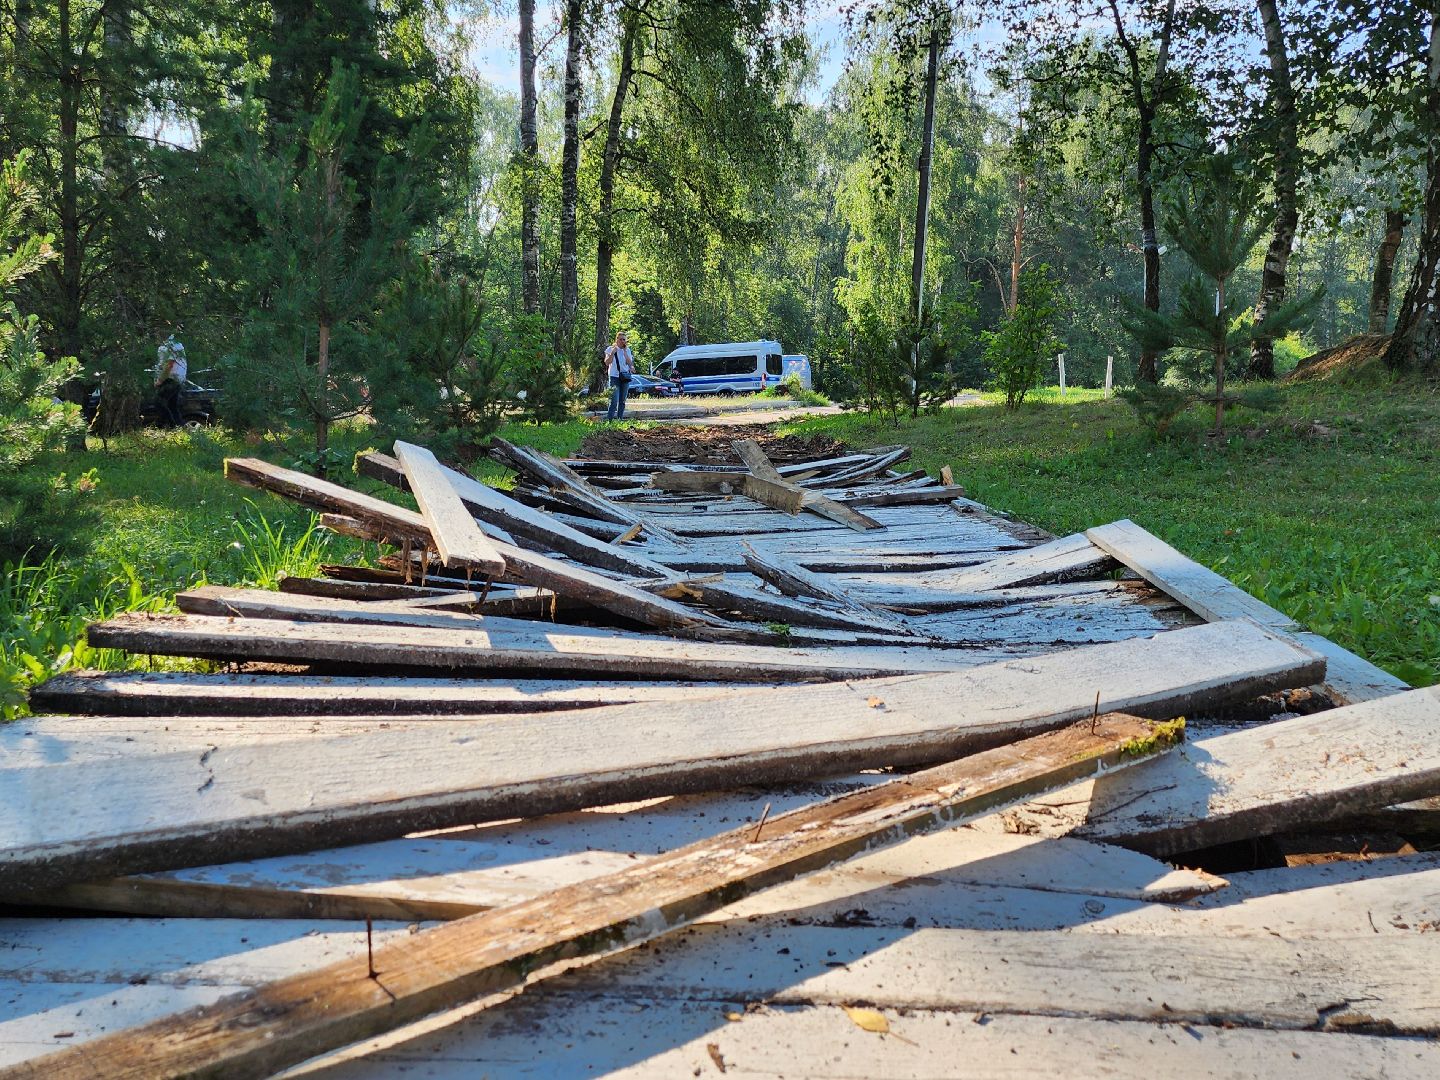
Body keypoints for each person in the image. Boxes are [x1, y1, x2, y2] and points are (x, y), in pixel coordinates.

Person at [154, 327, 188, 427]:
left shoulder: (168, 346)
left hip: (171, 379)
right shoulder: (177, 344)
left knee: (159, 402)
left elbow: (169, 365)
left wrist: (160, 380)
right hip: (178, 379)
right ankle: (179, 427)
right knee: (172, 406)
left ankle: (171, 426)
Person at [604, 330, 636, 421]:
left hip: (625, 377)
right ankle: (609, 420)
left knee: (622, 400)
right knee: (614, 400)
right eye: (621, 339)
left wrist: (625, 352)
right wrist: (613, 353)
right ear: (617, 339)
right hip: (614, 377)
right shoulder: (610, 349)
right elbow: (607, 363)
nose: (623, 341)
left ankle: (619, 420)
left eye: (624, 340)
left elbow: (630, 363)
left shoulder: (627, 350)